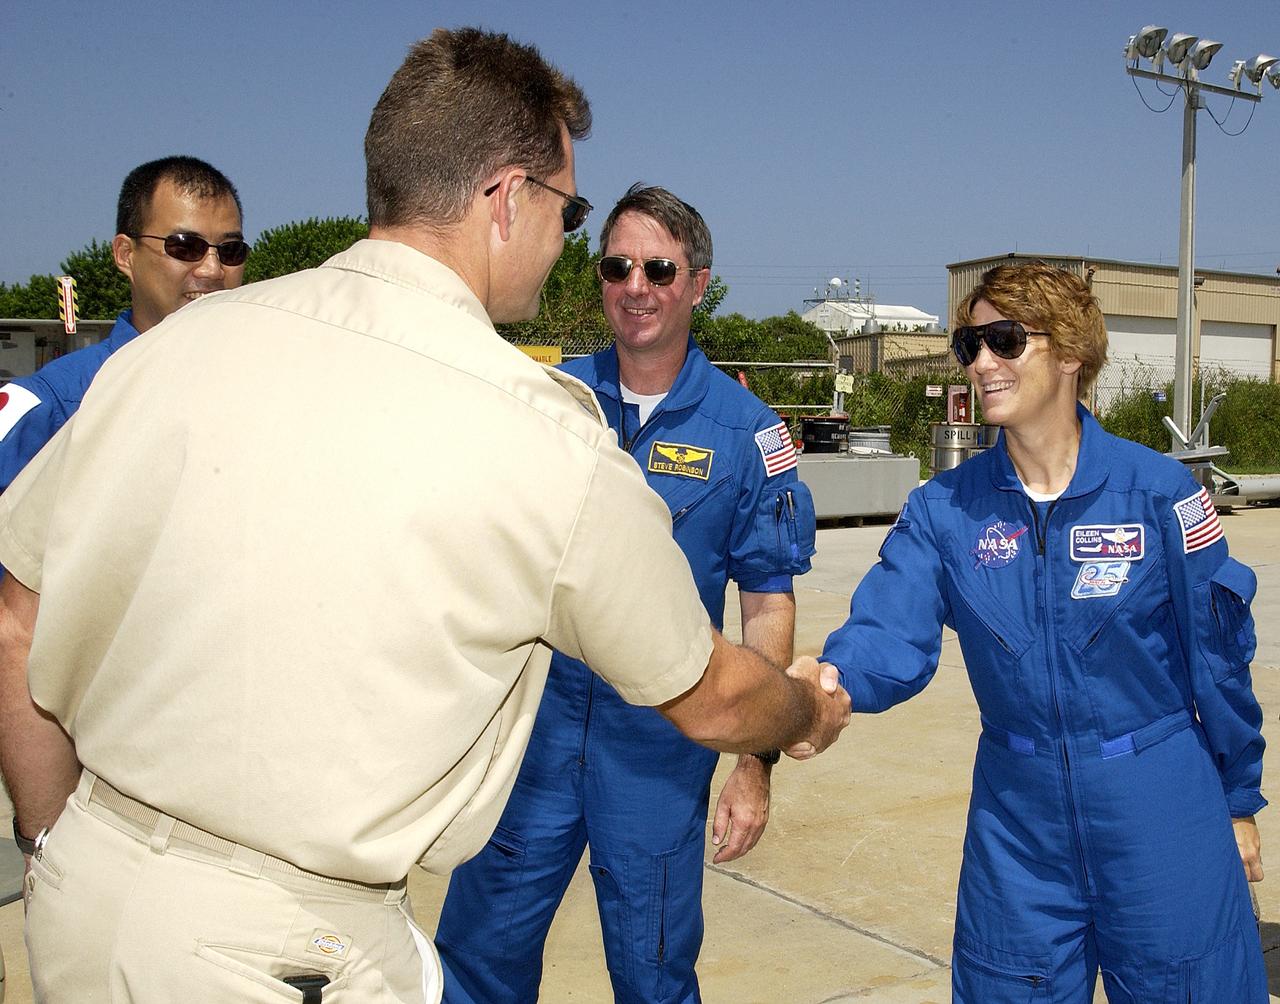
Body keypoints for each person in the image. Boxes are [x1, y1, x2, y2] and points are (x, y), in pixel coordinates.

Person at [0, 28, 849, 1004]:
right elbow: (715, 696)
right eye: (570, 217)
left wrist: (49, 834)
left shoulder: (165, 355)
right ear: (507, 198)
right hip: (283, 945)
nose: (579, 257)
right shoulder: (542, 433)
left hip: (78, 900)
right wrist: (805, 709)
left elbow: (19, 614)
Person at [820, 261, 1267, 1001]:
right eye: (970, 345)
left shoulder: (1160, 494)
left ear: (1069, 354)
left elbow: (1218, 662)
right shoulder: (945, 510)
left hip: (1159, 807)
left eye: (1003, 340)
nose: (982, 363)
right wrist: (826, 684)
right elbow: (884, 630)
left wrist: (1239, 801)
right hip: (1017, 827)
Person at [436, 184, 818, 1004]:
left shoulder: (750, 436)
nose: (635, 286)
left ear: (697, 283)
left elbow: (767, 606)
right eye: (616, 266)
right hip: (528, 746)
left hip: (657, 752)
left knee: (653, 977)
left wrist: (754, 766)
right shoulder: (545, 402)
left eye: (658, 268)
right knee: (474, 962)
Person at [0, 156, 246, 493]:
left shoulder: (266, 385)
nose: (213, 270)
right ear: (125, 254)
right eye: (186, 247)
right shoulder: (58, 404)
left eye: (231, 250)